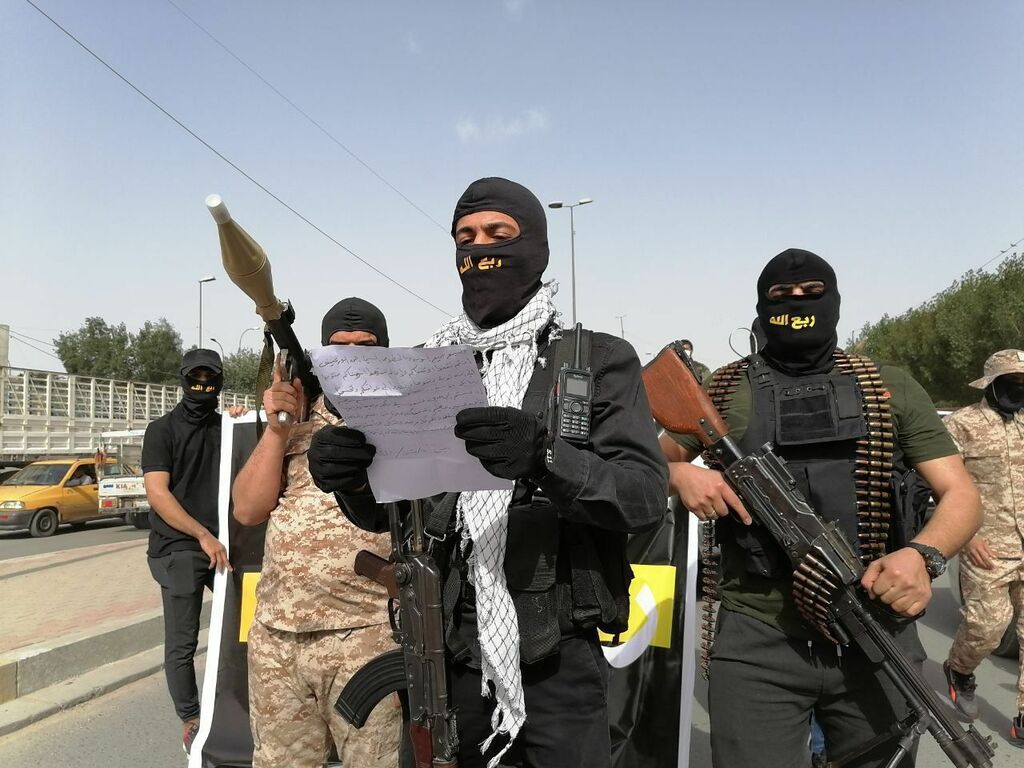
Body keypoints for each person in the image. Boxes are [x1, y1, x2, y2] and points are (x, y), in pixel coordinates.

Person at [307, 177, 667, 768]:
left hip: (558, 656)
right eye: (466, 238)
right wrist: (349, 477)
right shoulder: (428, 366)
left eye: (499, 234)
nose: (480, 250)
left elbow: (643, 497)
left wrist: (545, 458)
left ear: (537, 247)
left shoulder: (595, 360)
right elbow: (392, 510)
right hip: (448, 645)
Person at [661, 248, 982, 767]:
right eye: (781, 295)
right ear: (761, 306)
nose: (797, 304)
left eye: (812, 293)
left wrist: (922, 556)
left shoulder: (887, 385)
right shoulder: (723, 387)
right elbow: (646, 464)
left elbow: (961, 495)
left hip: (875, 625)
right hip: (757, 633)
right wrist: (680, 475)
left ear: (834, 300)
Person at [231, 298, 401, 768]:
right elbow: (247, 509)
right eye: (339, 346)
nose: (351, 355)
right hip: (278, 636)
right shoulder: (300, 412)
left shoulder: (401, 420)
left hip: (367, 634)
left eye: (366, 346)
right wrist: (277, 430)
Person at [143, 348, 245, 754]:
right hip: (179, 547)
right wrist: (202, 535)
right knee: (183, 643)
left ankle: (242, 704)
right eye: (196, 377)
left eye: (210, 378)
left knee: (248, 627)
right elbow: (157, 493)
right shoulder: (161, 430)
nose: (203, 384)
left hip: (223, 547)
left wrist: (243, 424)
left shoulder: (227, 427)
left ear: (219, 382)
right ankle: (192, 721)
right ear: (184, 380)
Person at [942, 349, 1024, 747]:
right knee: (986, 628)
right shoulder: (962, 424)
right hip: (987, 546)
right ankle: (959, 669)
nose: (1019, 390)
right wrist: (966, 536)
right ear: (991, 384)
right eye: (1012, 382)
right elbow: (943, 485)